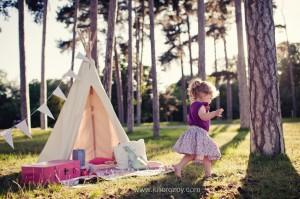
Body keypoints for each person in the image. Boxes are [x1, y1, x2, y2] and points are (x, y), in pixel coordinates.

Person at [172, 78, 223, 179]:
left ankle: (207, 174)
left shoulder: (193, 105)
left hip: (194, 131)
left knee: (198, 154)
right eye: (210, 97)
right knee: (205, 153)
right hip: (199, 133)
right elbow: (203, 117)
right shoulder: (201, 106)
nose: (210, 100)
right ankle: (180, 167)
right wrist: (214, 113)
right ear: (203, 94)